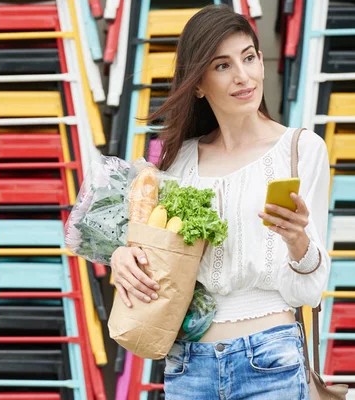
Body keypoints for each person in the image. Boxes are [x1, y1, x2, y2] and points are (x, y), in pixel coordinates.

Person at [109, 4, 331, 399]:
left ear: (262, 63)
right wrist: (123, 258)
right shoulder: (179, 161)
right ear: (198, 83)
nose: (242, 76)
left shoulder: (299, 150)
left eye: (248, 58)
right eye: (222, 65)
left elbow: (307, 293)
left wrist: (297, 241)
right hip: (189, 364)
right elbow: (161, 261)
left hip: (270, 359)